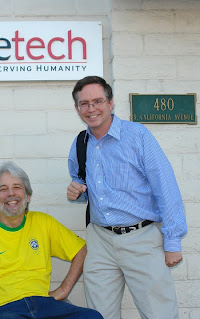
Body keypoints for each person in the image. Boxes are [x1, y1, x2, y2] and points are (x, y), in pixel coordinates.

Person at [67, 76, 188, 319]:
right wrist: (77, 192)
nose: (91, 109)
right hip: (100, 241)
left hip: (141, 239)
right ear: (78, 108)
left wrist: (172, 241)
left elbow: (165, 188)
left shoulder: (138, 136)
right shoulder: (80, 143)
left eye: (98, 101)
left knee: (160, 314)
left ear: (111, 103)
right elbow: (83, 185)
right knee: (98, 315)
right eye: (84, 103)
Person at [0, 161, 103, 319]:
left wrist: (63, 290)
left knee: (93, 317)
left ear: (28, 196)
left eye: (17, 187)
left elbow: (81, 250)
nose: (11, 194)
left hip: (45, 306)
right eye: (3, 189)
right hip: (5, 310)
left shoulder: (44, 223)